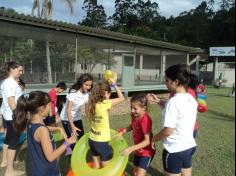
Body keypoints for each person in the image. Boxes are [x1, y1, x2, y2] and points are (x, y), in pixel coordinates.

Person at [13, 91, 77, 176]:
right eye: (50, 104)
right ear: (42, 108)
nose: (51, 107)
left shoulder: (30, 123)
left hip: (38, 171)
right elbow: (50, 157)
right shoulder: (42, 131)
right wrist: (68, 142)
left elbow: (39, 132)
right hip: (47, 172)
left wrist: (57, 128)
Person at [150, 64, 198, 176]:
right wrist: (159, 101)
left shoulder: (174, 101)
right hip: (189, 146)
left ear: (176, 82)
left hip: (174, 150)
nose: (165, 83)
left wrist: (153, 139)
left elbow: (168, 131)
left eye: (167, 80)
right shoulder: (191, 98)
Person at [85, 73, 125, 169]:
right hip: (102, 142)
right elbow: (122, 98)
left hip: (92, 140)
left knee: (96, 166)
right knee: (107, 169)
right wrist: (114, 85)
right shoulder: (105, 104)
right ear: (105, 94)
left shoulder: (91, 104)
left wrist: (107, 83)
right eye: (109, 94)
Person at [114, 93, 155, 176]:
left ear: (144, 108)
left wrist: (130, 149)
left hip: (147, 152)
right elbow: (133, 125)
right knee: (135, 173)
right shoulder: (135, 115)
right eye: (131, 108)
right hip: (138, 151)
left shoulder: (145, 120)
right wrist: (123, 131)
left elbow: (147, 141)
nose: (132, 111)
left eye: (135, 108)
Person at [0, 61, 24, 176]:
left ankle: (4, 162)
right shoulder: (9, 83)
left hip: (9, 116)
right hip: (13, 117)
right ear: (11, 70)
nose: (21, 73)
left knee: (8, 139)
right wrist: (18, 115)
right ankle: (9, 171)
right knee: (13, 143)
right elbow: (11, 100)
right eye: (19, 70)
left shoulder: (8, 82)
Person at [60, 74, 93, 141]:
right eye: (86, 85)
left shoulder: (87, 94)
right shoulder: (73, 92)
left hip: (77, 117)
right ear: (81, 83)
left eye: (90, 85)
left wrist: (92, 123)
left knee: (81, 138)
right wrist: (73, 127)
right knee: (72, 140)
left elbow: (87, 111)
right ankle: (68, 150)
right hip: (66, 118)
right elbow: (68, 111)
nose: (88, 87)